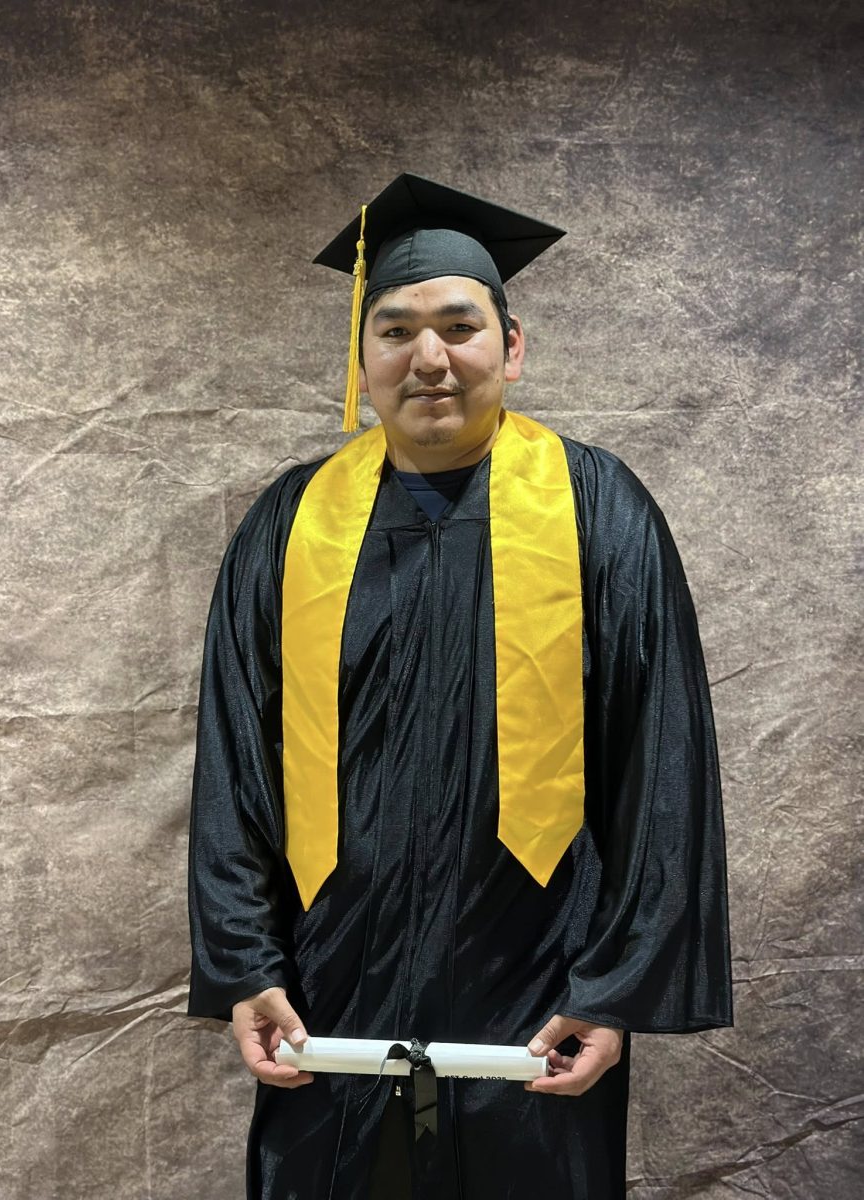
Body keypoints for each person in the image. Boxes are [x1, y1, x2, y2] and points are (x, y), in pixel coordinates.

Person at [187, 173, 732, 1199]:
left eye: (459, 326)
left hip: (534, 990)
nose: (428, 358)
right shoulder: (289, 525)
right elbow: (236, 763)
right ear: (362, 361)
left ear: (511, 347)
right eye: (395, 331)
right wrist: (248, 965)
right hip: (329, 988)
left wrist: (611, 989)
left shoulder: (598, 510)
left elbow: (658, 764)